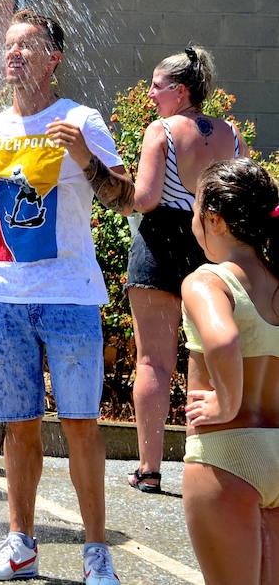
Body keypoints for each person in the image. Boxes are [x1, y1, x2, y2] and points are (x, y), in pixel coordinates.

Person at [0, 9, 132, 584]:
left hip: (69, 297)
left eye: (27, 46)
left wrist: (85, 159)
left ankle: (97, 553)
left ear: (53, 57)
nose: (13, 54)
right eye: (8, 45)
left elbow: (126, 200)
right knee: (18, 424)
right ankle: (21, 544)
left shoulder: (80, 119)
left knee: (82, 424)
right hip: (2, 298)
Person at [126, 46, 246, 493]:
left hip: (159, 241)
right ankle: (199, 465)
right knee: (203, 356)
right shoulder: (230, 134)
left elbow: (146, 199)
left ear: (179, 91)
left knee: (153, 361)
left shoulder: (160, 131)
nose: (151, 94)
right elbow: (245, 190)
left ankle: (150, 469)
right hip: (208, 242)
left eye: (157, 86)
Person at [179, 158, 279, 585]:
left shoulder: (208, 281)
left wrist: (225, 402)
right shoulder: (276, 281)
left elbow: (223, 340)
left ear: (214, 221)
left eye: (196, 208)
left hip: (227, 456)